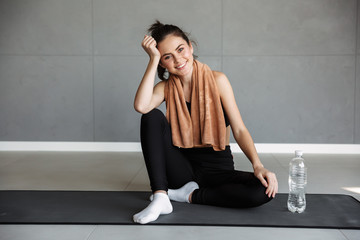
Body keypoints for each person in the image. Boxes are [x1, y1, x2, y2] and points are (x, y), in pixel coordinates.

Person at [133, 21, 278, 224]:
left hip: (219, 170)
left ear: (190, 47)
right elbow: (141, 106)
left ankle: (188, 196)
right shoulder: (166, 87)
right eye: (167, 57)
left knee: (262, 191)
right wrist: (152, 58)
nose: (178, 59)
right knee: (151, 116)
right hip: (182, 172)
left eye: (180, 49)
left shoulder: (218, 80)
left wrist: (258, 165)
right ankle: (161, 196)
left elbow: (239, 128)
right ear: (162, 63)